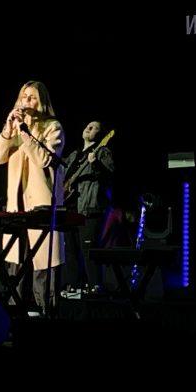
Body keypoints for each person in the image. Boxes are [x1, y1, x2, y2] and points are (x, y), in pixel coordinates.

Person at [0, 81, 65, 312]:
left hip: (41, 208)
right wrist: (8, 129)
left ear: (41, 102)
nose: (27, 102)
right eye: (24, 97)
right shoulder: (13, 129)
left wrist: (25, 132)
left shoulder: (53, 127)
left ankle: (44, 314)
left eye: (32, 97)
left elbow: (43, 159)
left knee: (43, 267)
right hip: (16, 208)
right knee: (16, 267)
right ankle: (14, 318)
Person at [61, 120, 114, 291]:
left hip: (88, 209)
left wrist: (95, 163)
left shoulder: (102, 151)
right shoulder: (74, 155)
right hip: (70, 208)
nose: (89, 128)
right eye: (88, 125)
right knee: (70, 251)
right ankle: (73, 287)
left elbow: (110, 175)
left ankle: (94, 287)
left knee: (88, 251)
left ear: (100, 135)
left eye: (94, 127)